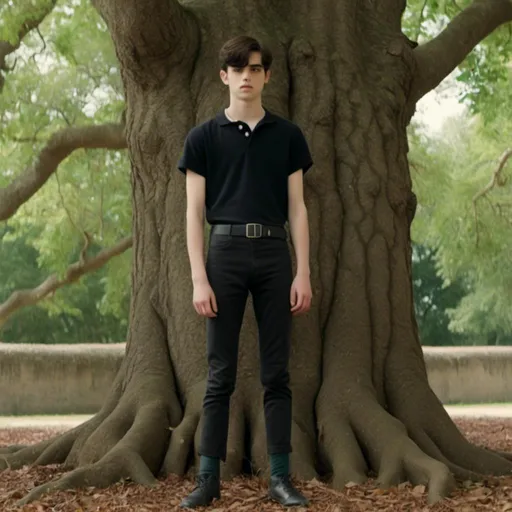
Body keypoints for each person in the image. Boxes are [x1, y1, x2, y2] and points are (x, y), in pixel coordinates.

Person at [177, 35, 313, 509]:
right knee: (220, 375)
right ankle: (207, 478)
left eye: (255, 69)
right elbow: (194, 214)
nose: (247, 77)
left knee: (276, 373)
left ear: (266, 75)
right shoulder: (203, 138)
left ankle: (280, 478)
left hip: (276, 255)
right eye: (238, 69)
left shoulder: (288, 136)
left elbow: (297, 210)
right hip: (225, 254)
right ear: (225, 76)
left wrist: (304, 272)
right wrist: (198, 276)